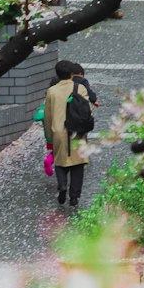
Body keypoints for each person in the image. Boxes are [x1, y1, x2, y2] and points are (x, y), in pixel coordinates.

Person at [40, 59, 96, 205]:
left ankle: (63, 185)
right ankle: (74, 197)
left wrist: (49, 135)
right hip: (77, 131)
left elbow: (47, 116)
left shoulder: (51, 91)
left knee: (60, 161)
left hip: (58, 130)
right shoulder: (80, 88)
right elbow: (87, 110)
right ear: (72, 74)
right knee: (78, 164)